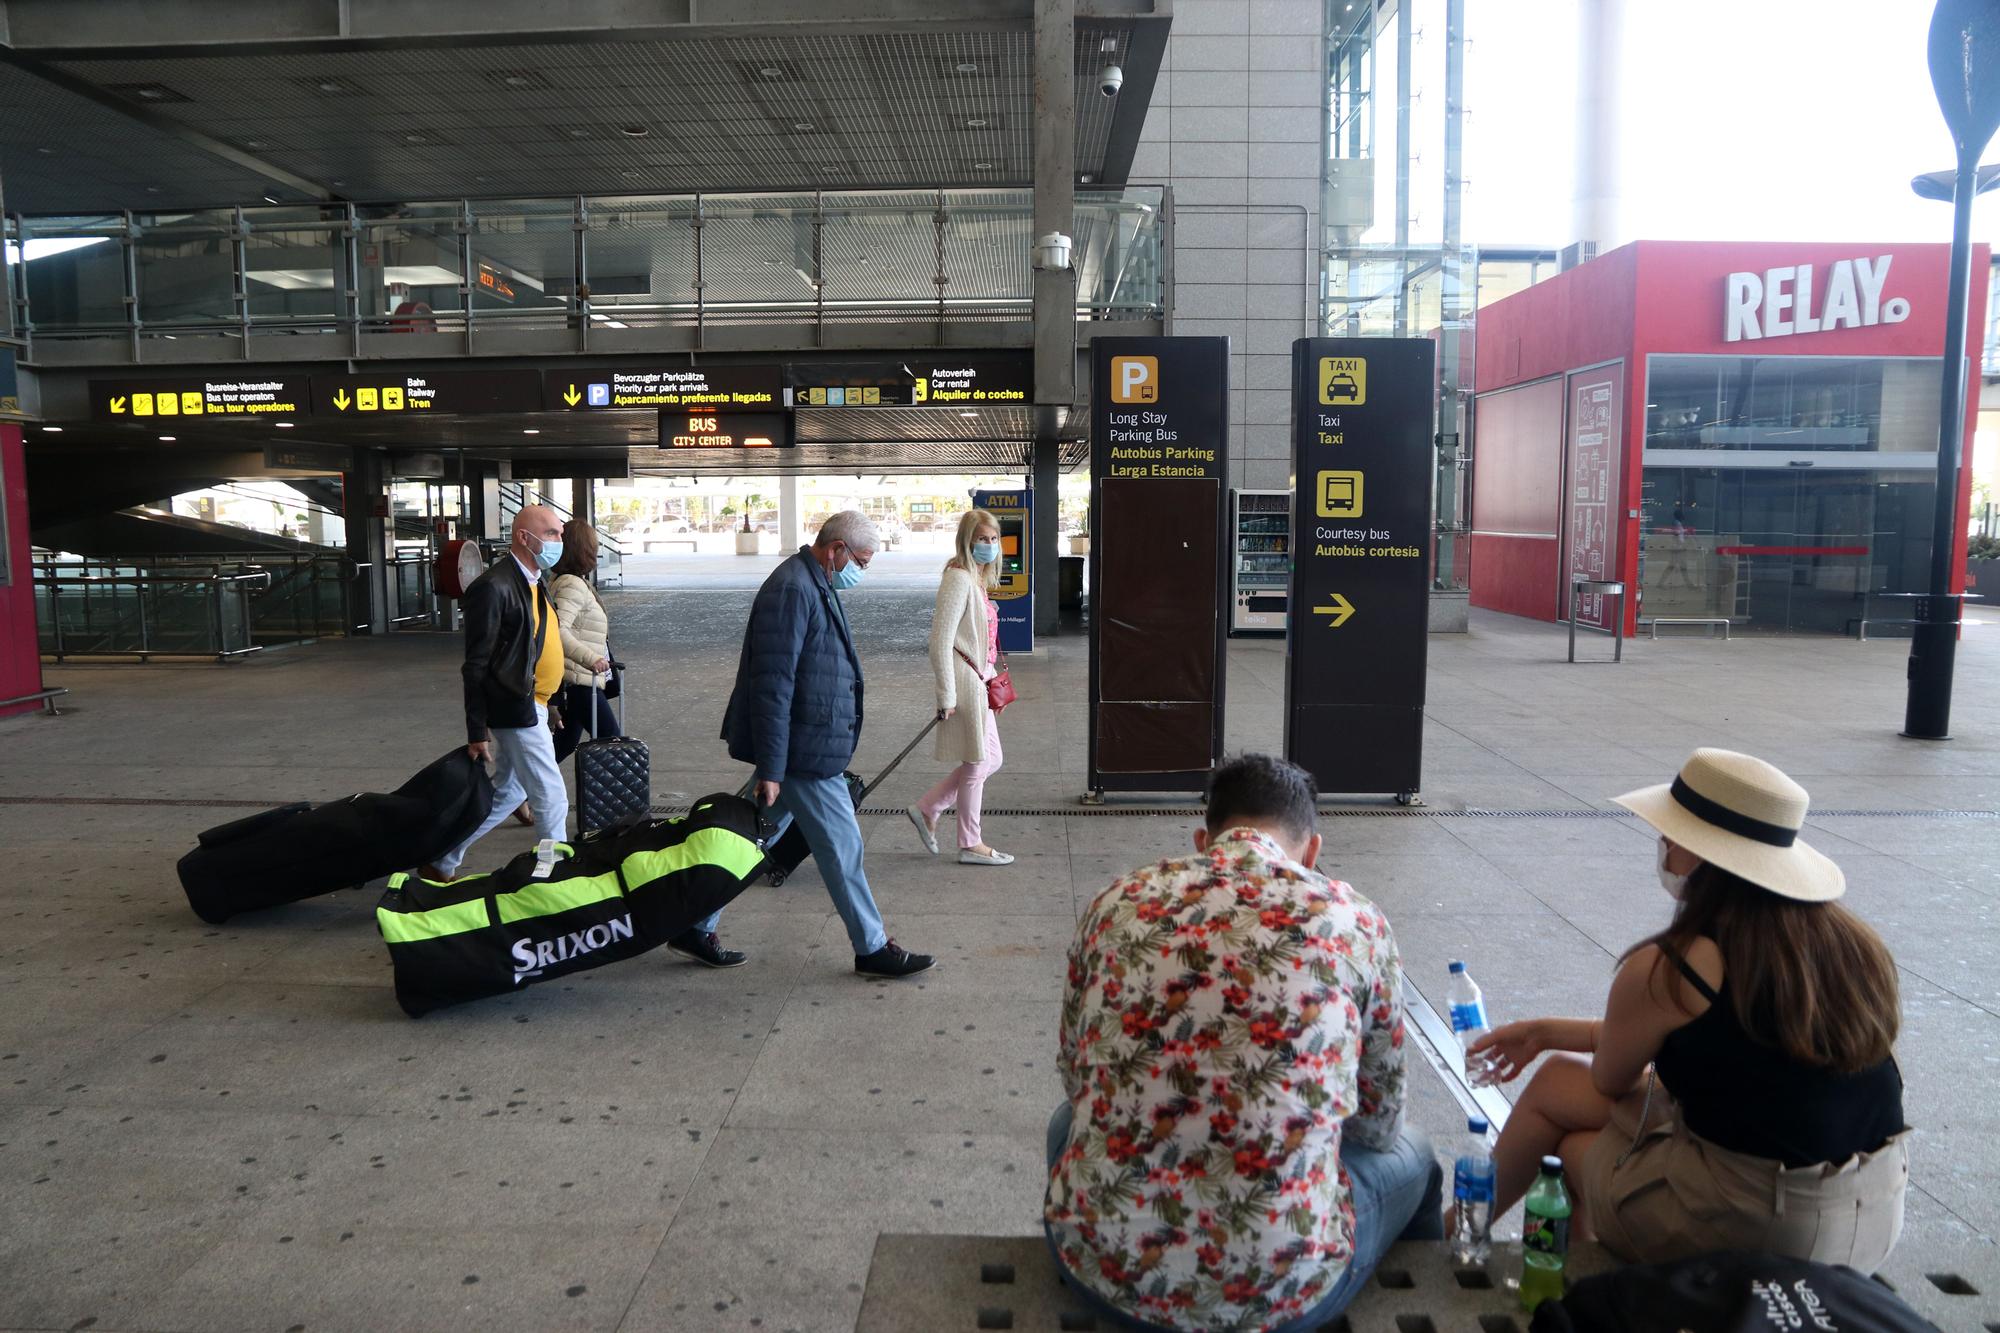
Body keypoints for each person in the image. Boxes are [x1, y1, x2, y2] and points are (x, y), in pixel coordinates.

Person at [1045, 754, 1442, 1333]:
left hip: (1102, 1272)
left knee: (1065, 1124)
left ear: (1203, 840)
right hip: (1284, 1294)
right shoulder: (1356, 921)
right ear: (1311, 851)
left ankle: (1097, 1244)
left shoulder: (1114, 902)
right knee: (1418, 1156)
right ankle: (1434, 1299)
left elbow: (1078, 1078)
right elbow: (1378, 1126)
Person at [1470, 748, 1909, 1272]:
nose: (1662, 846)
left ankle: (1473, 1245)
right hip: (1871, 1213)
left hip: (1762, 1228)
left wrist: (1566, 1041)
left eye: (1671, 834)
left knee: (1566, 1140)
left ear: (1702, 855)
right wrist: (1549, 1032)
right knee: (1563, 1079)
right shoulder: (1853, 946)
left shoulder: (1674, 966)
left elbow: (1611, 1080)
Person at [671, 511, 934, 979]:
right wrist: (773, 768)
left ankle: (693, 923)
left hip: (804, 745)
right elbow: (774, 683)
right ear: (835, 550)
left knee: (745, 840)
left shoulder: (813, 584)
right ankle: (871, 946)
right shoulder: (793, 588)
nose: (863, 572)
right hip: (801, 753)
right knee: (842, 845)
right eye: (862, 562)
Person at [420, 505, 570, 882]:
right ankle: (558, 875)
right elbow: (476, 664)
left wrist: (551, 701)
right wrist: (476, 730)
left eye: (560, 534)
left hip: (533, 704)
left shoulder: (535, 580)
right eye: (551, 533)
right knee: (552, 797)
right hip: (515, 707)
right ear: (524, 537)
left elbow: (536, 645)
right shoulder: (493, 586)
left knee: (506, 793)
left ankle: (440, 862)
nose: (558, 541)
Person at [908, 508, 1013, 867]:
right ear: (967, 541)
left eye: (993, 538)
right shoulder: (958, 577)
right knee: (976, 761)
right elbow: (940, 641)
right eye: (982, 539)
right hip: (965, 680)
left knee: (991, 758)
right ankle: (970, 842)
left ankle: (929, 807)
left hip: (979, 678)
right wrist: (947, 695)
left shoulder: (977, 579)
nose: (989, 545)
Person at [547, 519, 621, 765]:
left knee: (563, 744)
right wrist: (592, 659)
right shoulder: (571, 585)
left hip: (577, 679)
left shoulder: (567, 581)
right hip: (579, 681)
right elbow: (557, 630)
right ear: (583, 549)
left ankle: (514, 798)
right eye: (594, 545)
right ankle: (616, 801)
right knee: (612, 742)